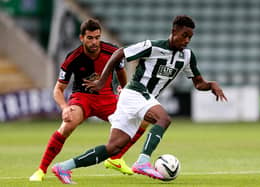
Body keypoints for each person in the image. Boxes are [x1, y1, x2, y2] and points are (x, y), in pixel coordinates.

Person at [52, 15, 228, 184]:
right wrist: (102, 81)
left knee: (113, 148)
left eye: (190, 37)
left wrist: (211, 85)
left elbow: (198, 83)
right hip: (135, 92)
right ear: (174, 31)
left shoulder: (187, 56)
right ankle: (143, 161)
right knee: (164, 119)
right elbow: (119, 53)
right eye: (184, 35)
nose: (187, 40)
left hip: (139, 100)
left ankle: (63, 167)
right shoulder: (152, 47)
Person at [29, 18, 149, 182]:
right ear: (81, 38)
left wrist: (125, 90)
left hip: (107, 98)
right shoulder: (73, 58)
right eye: (90, 38)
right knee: (68, 124)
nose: (94, 42)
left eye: (97, 37)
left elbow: (120, 71)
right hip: (82, 99)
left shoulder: (112, 52)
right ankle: (41, 170)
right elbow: (58, 89)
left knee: (143, 120)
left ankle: (115, 159)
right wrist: (64, 107)